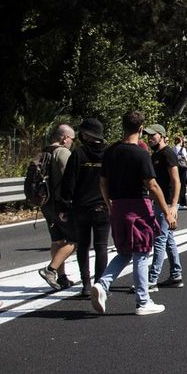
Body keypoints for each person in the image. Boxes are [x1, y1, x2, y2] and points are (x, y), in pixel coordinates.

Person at [92, 111, 175, 316]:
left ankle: (102, 284)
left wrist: (109, 203)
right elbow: (152, 185)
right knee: (141, 252)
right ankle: (143, 301)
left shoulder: (111, 151)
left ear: (123, 126)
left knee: (124, 252)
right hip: (138, 206)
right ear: (141, 129)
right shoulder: (141, 154)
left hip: (117, 206)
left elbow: (102, 182)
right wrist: (167, 212)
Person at [58, 117, 110, 300]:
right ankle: (100, 285)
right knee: (101, 246)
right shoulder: (109, 153)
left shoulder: (78, 153)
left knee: (83, 246)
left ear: (87, 134)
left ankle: (86, 284)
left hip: (81, 207)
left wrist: (65, 206)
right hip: (103, 206)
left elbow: (69, 182)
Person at [37, 124, 76, 290]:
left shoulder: (44, 152)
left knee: (57, 240)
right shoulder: (63, 153)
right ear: (64, 138)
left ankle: (61, 277)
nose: (72, 143)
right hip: (61, 204)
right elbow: (70, 178)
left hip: (46, 204)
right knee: (75, 239)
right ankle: (50, 270)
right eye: (72, 139)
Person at [145, 124, 184, 289]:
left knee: (160, 239)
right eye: (148, 136)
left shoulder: (168, 154)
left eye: (152, 135)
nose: (149, 138)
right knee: (168, 239)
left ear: (161, 136)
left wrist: (173, 206)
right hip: (160, 202)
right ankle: (176, 274)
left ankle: (151, 280)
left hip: (167, 203)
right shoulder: (155, 155)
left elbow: (176, 181)